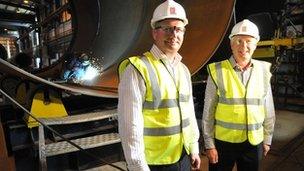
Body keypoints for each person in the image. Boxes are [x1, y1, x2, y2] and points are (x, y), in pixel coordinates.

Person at [118, 0, 201, 171]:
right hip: (152, 163)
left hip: (182, 156)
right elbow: (130, 126)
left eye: (178, 29)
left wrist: (193, 147)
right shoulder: (137, 69)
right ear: (155, 33)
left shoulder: (183, 70)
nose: (174, 35)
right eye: (167, 29)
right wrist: (138, 167)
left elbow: (188, 112)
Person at [202, 19, 276, 171]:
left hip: (253, 143)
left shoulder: (263, 71)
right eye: (239, 41)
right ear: (231, 44)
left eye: (249, 41)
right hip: (223, 143)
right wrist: (209, 144)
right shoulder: (217, 71)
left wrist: (267, 138)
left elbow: (268, 109)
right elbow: (208, 112)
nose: (243, 46)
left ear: (256, 44)